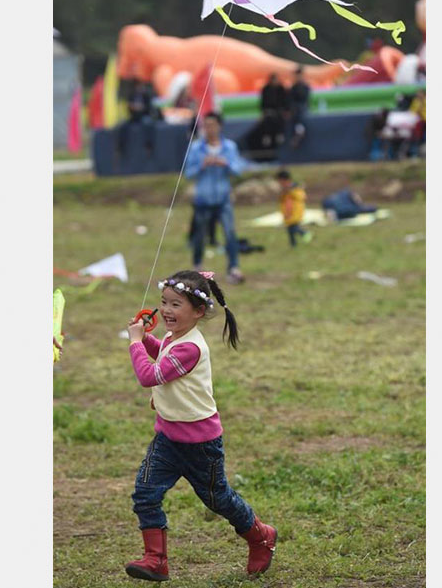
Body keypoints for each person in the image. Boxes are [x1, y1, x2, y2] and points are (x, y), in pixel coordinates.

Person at [124, 270, 277, 581]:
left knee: (217, 499)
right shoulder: (174, 337)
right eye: (164, 302)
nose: (166, 310)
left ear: (198, 312)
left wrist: (136, 343)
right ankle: (156, 560)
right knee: (145, 493)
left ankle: (261, 536)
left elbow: (149, 376)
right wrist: (147, 339)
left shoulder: (191, 347)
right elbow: (163, 352)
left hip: (200, 445)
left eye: (176, 304)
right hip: (167, 438)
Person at [185, 113, 245, 284]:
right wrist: (202, 165)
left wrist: (225, 163)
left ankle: (233, 268)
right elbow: (188, 173)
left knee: (230, 233)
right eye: (206, 125)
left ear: (220, 126)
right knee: (199, 236)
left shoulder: (229, 147)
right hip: (203, 199)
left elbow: (238, 170)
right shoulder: (196, 148)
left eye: (212, 125)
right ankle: (197, 267)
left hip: (223, 198)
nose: (209, 129)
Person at [118, 81, 156, 156]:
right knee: (122, 125)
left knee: (148, 123)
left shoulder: (146, 96)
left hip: (143, 116)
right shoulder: (132, 95)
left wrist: (139, 108)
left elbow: (148, 108)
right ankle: (121, 147)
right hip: (134, 117)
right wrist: (135, 108)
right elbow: (129, 108)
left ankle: (148, 146)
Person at [276, 170, 312, 246]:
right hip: (288, 213)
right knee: (290, 229)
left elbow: (301, 197)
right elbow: (282, 200)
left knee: (293, 228)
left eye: (280, 181)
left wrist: (290, 191)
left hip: (294, 213)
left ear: (285, 180)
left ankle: (305, 234)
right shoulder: (285, 190)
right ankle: (293, 244)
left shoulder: (295, 189)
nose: (280, 184)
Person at [259, 73, 287, 151]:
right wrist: (264, 111)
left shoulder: (281, 88)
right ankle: (266, 136)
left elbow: (284, 101)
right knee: (267, 121)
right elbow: (263, 102)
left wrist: (284, 110)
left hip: (279, 111)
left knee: (280, 120)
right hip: (269, 111)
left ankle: (280, 135)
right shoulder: (266, 89)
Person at [287, 66, 310, 149]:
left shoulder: (304, 87)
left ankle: (299, 133)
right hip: (295, 111)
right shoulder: (293, 88)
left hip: (301, 110)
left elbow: (304, 100)